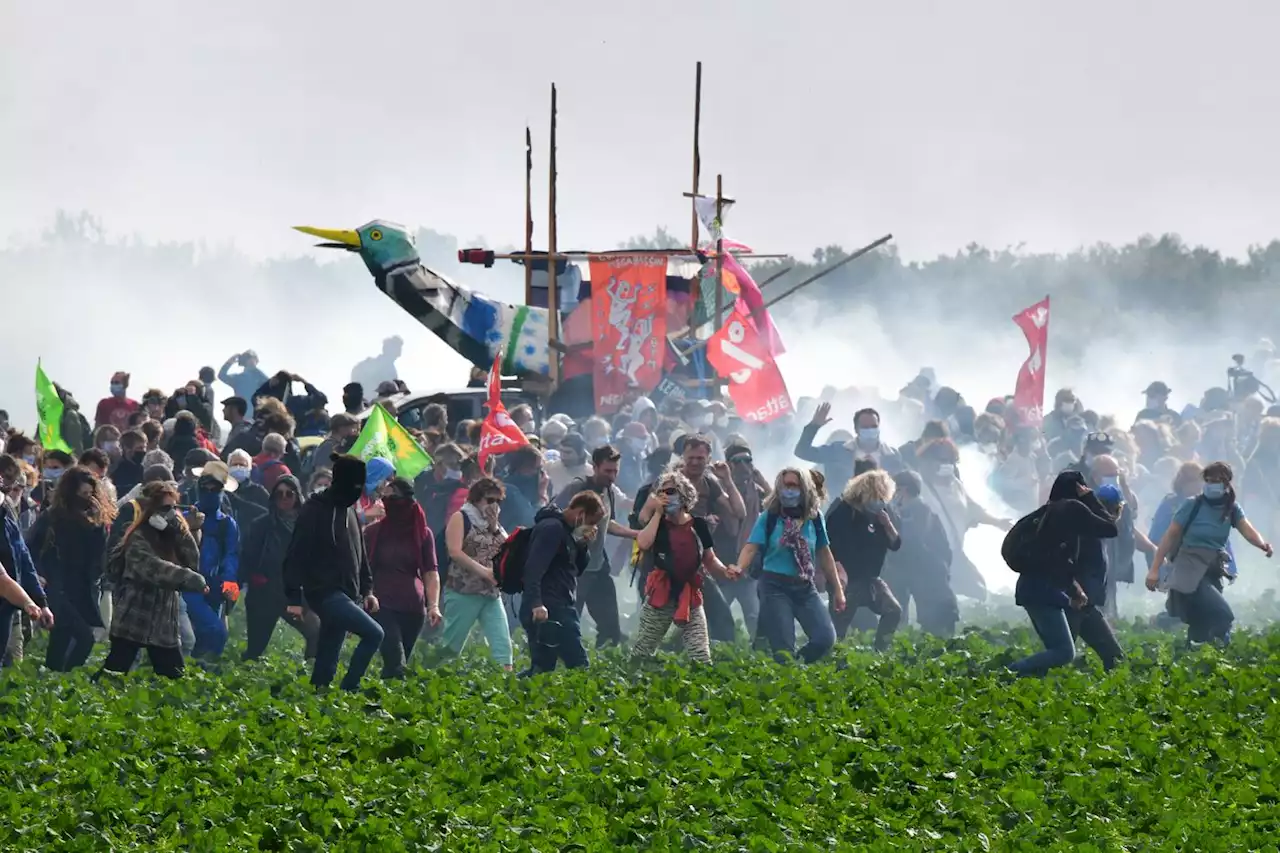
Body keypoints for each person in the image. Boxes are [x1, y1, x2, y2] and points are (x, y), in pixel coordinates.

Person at [283, 455, 385, 690]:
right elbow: (295, 555)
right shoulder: (314, 510)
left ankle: (320, 692)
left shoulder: (348, 511)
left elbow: (360, 556)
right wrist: (294, 598)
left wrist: (368, 590)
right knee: (374, 634)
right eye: (353, 487)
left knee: (329, 650)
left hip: (347, 592)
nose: (356, 493)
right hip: (324, 592)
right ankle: (350, 687)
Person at [1145, 462, 1273, 646]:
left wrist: (1262, 545)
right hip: (1189, 567)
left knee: (1201, 620)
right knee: (1222, 614)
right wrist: (1155, 569)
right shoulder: (1192, 505)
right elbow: (1169, 536)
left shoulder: (1232, 508)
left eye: (1218, 481)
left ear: (1227, 483)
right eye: (1209, 480)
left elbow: (1248, 530)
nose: (1213, 484)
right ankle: (1216, 648)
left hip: (1213, 567)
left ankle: (1195, 657)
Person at [1008, 470, 1119, 677]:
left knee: (1062, 651)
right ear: (1079, 488)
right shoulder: (1072, 508)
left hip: (1042, 590)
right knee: (1063, 653)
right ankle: (1010, 673)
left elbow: (1060, 562)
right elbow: (1110, 528)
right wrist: (1090, 499)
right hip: (1047, 593)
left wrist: (1076, 591)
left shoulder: (1045, 513)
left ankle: (1021, 677)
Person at [98, 481, 209, 679]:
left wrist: (181, 530)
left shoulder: (170, 535)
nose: (171, 513)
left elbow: (192, 561)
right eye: (166, 508)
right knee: (114, 671)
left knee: (173, 676)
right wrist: (192, 580)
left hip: (163, 621)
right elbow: (156, 569)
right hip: (134, 617)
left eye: (174, 508)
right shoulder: (137, 537)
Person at [733, 467, 844, 663]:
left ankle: (797, 666)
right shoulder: (769, 517)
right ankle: (785, 677)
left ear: (804, 489)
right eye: (785, 486)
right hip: (774, 586)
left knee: (825, 638)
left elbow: (825, 554)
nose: (789, 490)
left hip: (804, 586)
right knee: (783, 649)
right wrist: (739, 567)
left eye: (794, 485)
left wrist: (837, 590)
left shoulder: (814, 518)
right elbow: (750, 547)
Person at [631, 471, 741, 664]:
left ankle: (703, 686)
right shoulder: (658, 524)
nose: (665, 496)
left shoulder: (698, 525)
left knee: (700, 652)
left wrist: (725, 570)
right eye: (661, 492)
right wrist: (657, 513)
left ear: (683, 495)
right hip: (662, 592)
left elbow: (709, 557)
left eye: (670, 491)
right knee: (644, 649)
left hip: (690, 592)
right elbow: (644, 543)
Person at [26, 466, 113, 670]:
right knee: (85, 638)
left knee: (61, 637)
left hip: (80, 588)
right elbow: (30, 547)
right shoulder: (53, 517)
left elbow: (100, 552)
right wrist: (37, 575)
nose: (88, 498)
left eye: (91, 494)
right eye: (83, 494)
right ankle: (66, 678)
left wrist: (98, 523)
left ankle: (54, 681)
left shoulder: (94, 519)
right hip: (56, 586)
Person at [554, 445, 637, 649]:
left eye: (615, 471)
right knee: (569, 617)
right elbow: (554, 517)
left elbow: (608, 524)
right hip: (574, 566)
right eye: (607, 471)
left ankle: (607, 652)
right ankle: (561, 657)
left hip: (598, 563)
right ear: (594, 467)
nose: (612, 476)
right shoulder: (577, 488)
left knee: (610, 623)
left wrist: (636, 534)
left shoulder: (608, 491)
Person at [361, 477, 441, 677]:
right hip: (382, 604)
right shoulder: (373, 532)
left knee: (396, 664)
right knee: (396, 660)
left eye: (393, 496)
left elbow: (430, 573)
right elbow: (362, 569)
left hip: (413, 607)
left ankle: (386, 703)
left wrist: (434, 606)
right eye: (385, 497)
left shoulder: (422, 533)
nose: (389, 502)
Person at [519, 491, 606, 675]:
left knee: (542, 669)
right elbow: (533, 569)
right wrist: (536, 604)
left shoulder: (567, 532)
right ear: (580, 513)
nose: (591, 527)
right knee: (579, 665)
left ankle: (512, 691)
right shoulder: (552, 528)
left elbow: (575, 570)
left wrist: (582, 545)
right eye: (591, 522)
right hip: (551, 606)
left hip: (558, 602)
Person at [240, 475, 320, 661]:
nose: (284, 498)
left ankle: (312, 677)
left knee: (316, 631)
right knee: (255, 649)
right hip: (265, 594)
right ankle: (244, 680)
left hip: (296, 594)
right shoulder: (261, 525)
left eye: (289, 494)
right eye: (279, 494)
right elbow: (247, 558)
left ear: (297, 496)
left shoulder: (309, 526)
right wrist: (242, 583)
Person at [824, 469, 903, 649]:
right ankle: (832, 662)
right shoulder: (842, 510)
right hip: (845, 581)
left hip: (870, 579)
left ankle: (881, 651)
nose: (880, 500)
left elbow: (895, 544)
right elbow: (827, 545)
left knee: (893, 610)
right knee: (838, 629)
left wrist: (887, 524)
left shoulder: (879, 514)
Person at [441, 477, 513, 668]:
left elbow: (506, 549)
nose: (494, 506)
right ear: (477, 499)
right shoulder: (461, 517)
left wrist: (495, 526)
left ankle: (506, 685)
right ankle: (433, 681)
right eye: (490, 501)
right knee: (450, 647)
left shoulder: (494, 523)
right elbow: (455, 552)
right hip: (463, 591)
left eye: (498, 501)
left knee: (503, 646)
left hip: (490, 593)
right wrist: (484, 572)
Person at [882, 470, 957, 638]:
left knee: (936, 629)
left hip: (928, 578)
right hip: (922, 575)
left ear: (903, 490)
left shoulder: (918, 511)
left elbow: (908, 544)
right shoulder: (911, 511)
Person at [0, 456, 55, 662]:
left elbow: (22, 561)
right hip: (10, 601)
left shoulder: (7, 516)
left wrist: (38, 603)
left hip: (6, 607)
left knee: (13, 662)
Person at [184, 460, 241, 659]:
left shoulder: (227, 524)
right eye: (205, 487)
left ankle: (200, 675)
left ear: (221, 490)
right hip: (188, 585)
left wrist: (230, 584)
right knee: (216, 632)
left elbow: (231, 555)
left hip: (215, 586)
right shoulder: (184, 518)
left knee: (207, 637)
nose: (209, 492)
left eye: (214, 488)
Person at [714, 442, 769, 636]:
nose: (744, 466)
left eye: (748, 460)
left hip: (749, 566)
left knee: (754, 615)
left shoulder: (758, 494)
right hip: (723, 563)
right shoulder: (717, 490)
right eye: (738, 461)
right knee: (715, 613)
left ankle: (760, 657)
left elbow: (778, 510)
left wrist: (763, 482)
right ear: (729, 465)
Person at [218, 351, 269, 417]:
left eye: (253, 358)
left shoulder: (260, 377)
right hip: (244, 417)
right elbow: (221, 375)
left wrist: (230, 361)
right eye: (249, 358)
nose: (252, 361)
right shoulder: (238, 378)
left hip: (253, 417)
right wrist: (230, 361)